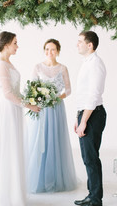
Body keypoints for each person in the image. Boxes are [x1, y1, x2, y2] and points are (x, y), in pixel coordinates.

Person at [0, 31, 40, 206]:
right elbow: (7, 93)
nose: (17, 46)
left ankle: (14, 191)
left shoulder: (9, 63)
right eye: (15, 43)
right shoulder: (2, 65)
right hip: (7, 109)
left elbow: (15, 90)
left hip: (15, 108)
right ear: (7, 44)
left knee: (15, 147)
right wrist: (29, 105)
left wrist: (31, 98)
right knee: (8, 147)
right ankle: (7, 195)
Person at [27, 39, 77, 193]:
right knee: (39, 140)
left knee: (55, 140)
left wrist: (56, 98)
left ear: (58, 51)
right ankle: (38, 178)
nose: (50, 52)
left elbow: (68, 90)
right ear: (44, 50)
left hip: (56, 108)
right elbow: (32, 87)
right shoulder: (37, 67)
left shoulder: (63, 68)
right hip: (41, 108)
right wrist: (39, 98)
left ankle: (55, 178)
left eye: (53, 49)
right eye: (47, 49)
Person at [74, 31, 106, 206]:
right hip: (85, 114)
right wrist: (77, 118)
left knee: (91, 158)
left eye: (80, 41)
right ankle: (92, 195)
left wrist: (84, 120)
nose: (77, 44)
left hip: (93, 115)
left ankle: (95, 198)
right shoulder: (86, 63)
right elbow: (82, 95)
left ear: (90, 45)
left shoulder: (95, 64)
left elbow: (93, 96)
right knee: (88, 158)